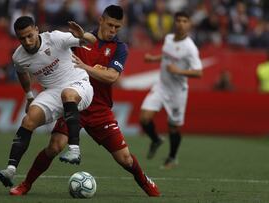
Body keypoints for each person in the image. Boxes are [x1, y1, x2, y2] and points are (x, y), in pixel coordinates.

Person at [9, 5, 160, 197]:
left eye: (117, 27)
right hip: (73, 104)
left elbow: (112, 77)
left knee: (125, 159)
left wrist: (85, 67)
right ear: (101, 20)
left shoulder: (119, 48)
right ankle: (25, 185)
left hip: (100, 109)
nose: (113, 30)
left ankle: (145, 182)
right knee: (54, 146)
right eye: (110, 25)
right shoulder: (80, 39)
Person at [0, 16, 96, 187]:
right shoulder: (18, 57)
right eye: (22, 38)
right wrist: (29, 96)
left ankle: (74, 150)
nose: (27, 41)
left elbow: (92, 42)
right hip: (53, 92)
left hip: (79, 84)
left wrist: (83, 35)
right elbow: (21, 72)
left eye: (29, 36)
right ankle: (10, 170)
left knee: (67, 94)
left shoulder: (55, 38)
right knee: (29, 118)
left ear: (36, 29)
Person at [140, 11, 203, 169]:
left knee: (173, 127)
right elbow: (166, 56)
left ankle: (172, 157)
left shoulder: (190, 48)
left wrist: (178, 71)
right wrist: (153, 59)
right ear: (174, 23)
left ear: (189, 24)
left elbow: (198, 72)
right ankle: (156, 140)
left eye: (184, 21)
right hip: (161, 86)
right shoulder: (168, 38)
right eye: (178, 20)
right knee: (144, 118)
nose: (181, 23)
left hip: (177, 92)